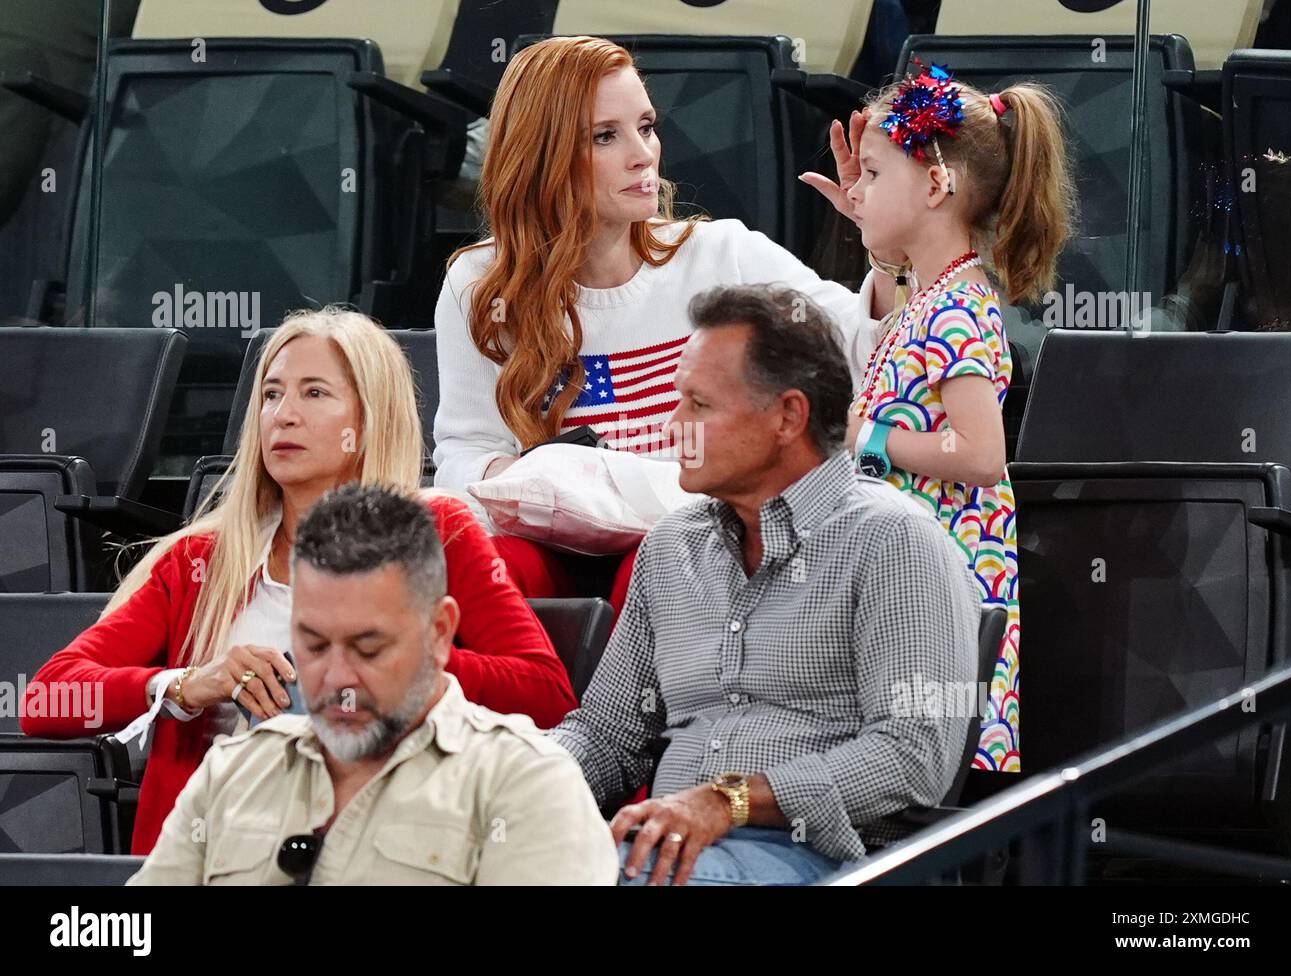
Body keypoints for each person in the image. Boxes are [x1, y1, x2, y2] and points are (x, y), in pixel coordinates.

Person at [22, 307, 576, 854]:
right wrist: (188, 685)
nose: (283, 415)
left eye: (314, 393)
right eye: (271, 394)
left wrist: (398, 662)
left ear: (367, 421)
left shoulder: (440, 533)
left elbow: (545, 694)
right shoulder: (203, 559)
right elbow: (47, 699)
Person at [432, 35, 898, 611]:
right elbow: (464, 453)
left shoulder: (719, 255)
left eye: (646, 126)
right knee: (481, 563)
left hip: (690, 537)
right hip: (549, 541)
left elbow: (868, 349)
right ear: (542, 155)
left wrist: (889, 246)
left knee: (661, 554)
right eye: (607, 136)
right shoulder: (480, 283)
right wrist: (555, 482)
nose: (643, 153)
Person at [548, 284, 981, 886]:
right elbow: (606, 736)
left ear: (788, 416)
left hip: (832, 859)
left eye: (698, 404)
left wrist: (730, 801)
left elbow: (914, 755)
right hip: (665, 854)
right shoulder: (672, 547)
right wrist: (504, 782)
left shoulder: (894, 542)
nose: (673, 427)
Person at [128, 484, 617, 885]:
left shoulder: (524, 785)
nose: (339, 678)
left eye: (369, 648)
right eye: (314, 645)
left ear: (440, 633)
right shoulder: (231, 775)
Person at [832, 65, 1078, 773]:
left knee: (927, 771)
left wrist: (864, 437)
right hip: (911, 579)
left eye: (874, 175)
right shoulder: (929, 297)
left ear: (936, 186)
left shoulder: (960, 309)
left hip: (949, 587)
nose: (857, 190)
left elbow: (978, 455)